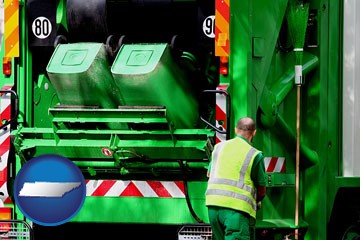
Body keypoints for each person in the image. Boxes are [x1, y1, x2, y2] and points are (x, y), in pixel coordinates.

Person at [205, 117, 266, 240]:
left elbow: (209, 174)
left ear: (235, 130)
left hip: (212, 208)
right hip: (235, 212)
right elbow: (261, 190)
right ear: (254, 132)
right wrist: (256, 201)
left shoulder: (218, 148)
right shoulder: (255, 154)